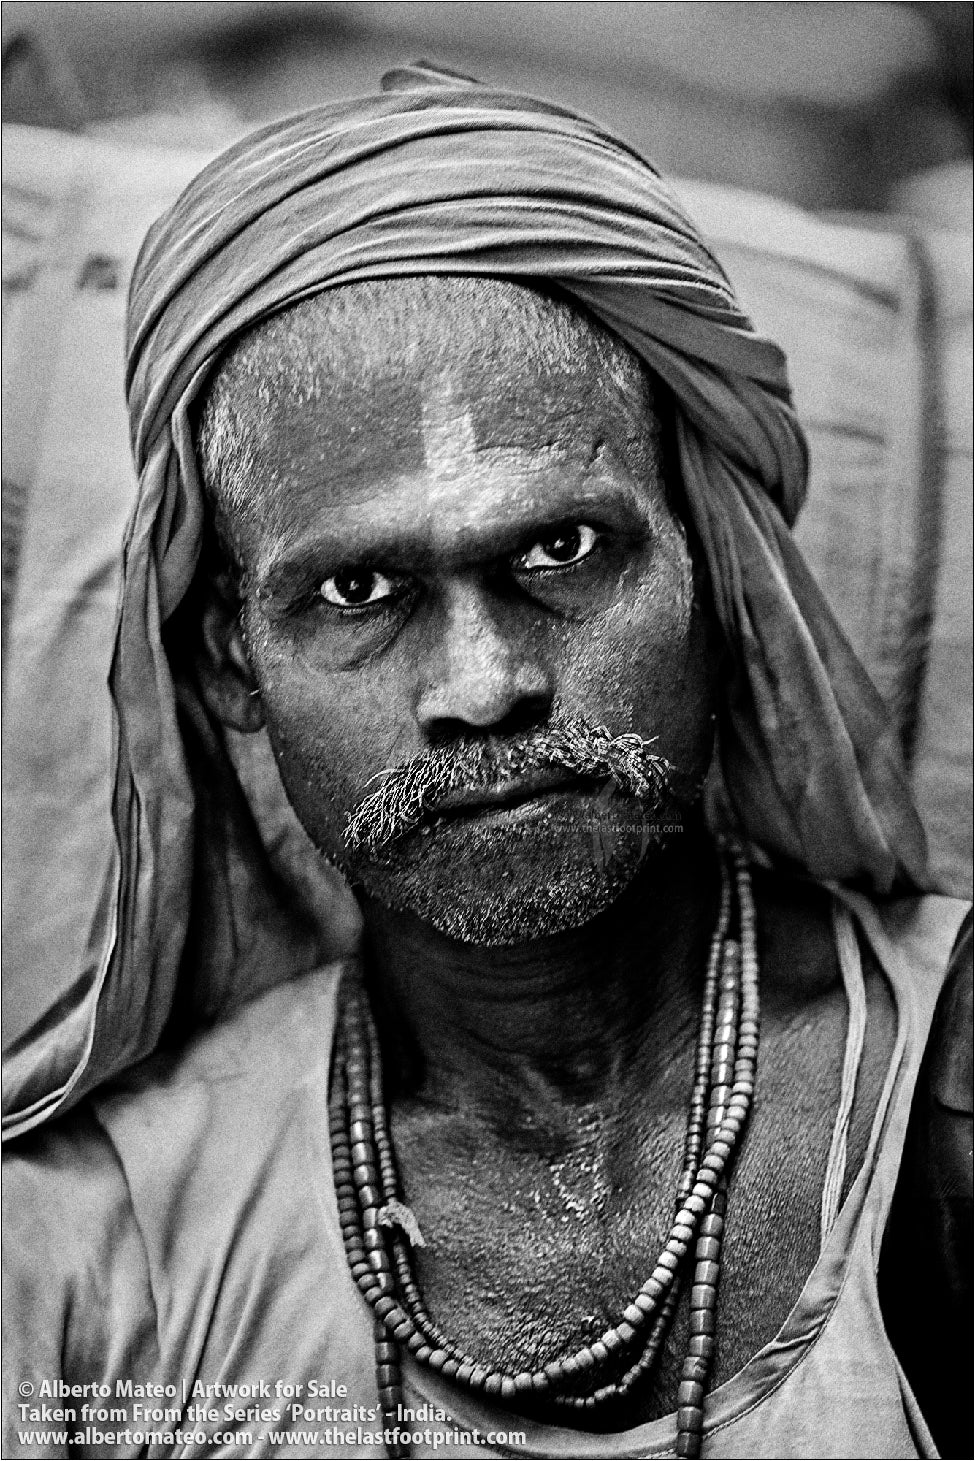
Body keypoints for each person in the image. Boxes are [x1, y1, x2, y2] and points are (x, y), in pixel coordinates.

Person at [2, 65, 970, 1461]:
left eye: (561, 551)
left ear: (717, 568)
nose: (481, 685)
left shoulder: (948, 1083)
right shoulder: (91, 1251)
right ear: (227, 660)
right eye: (357, 594)